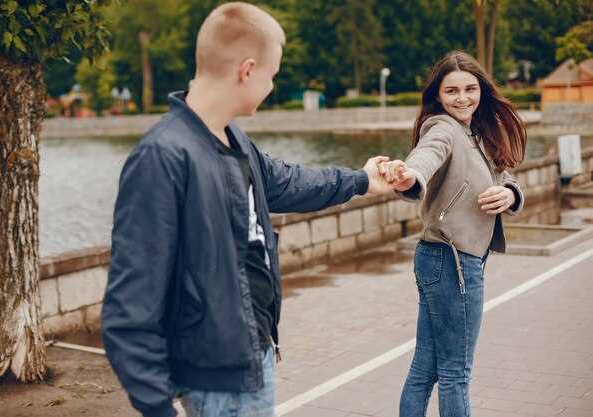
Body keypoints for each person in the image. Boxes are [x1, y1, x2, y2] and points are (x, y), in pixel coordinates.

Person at [101, 3, 392, 417]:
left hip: (253, 355)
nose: (272, 87)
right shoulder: (162, 157)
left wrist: (362, 180)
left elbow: (289, 182)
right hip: (214, 378)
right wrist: (159, 409)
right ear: (247, 70)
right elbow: (128, 310)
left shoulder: (234, 139)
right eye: (272, 76)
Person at [380, 50, 527, 417]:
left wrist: (509, 194)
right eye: (451, 91)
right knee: (455, 373)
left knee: (426, 368)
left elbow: (503, 175)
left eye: (470, 89)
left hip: (441, 260)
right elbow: (426, 156)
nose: (462, 98)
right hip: (453, 263)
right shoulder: (443, 128)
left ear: (482, 90)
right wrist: (409, 176)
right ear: (438, 97)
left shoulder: (475, 131)